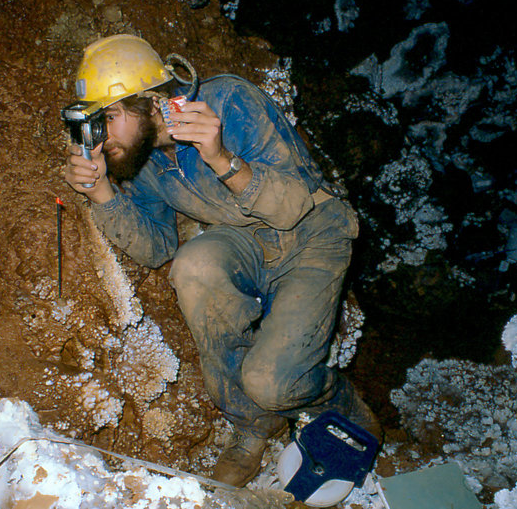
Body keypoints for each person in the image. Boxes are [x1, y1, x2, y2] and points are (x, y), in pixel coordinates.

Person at [63, 34, 380, 487]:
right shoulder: (141, 159)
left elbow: (292, 207)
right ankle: (254, 426)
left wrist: (221, 158)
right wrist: (103, 194)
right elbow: (158, 249)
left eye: (109, 117)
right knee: (193, 265)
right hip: (247, 242)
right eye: (96, 122)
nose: (103, 136)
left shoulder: (230, 102)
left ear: (151, 103)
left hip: (313, 234)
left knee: (273, 383)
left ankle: (336, 399)